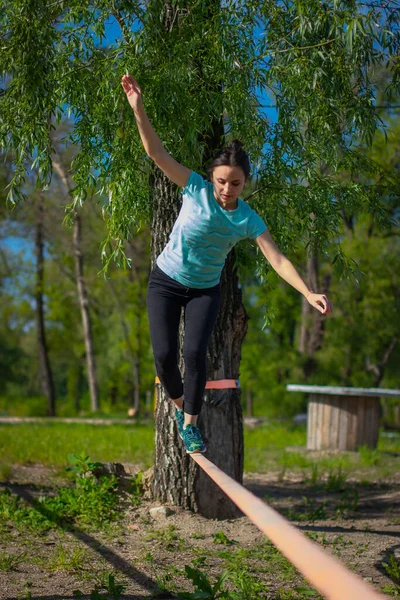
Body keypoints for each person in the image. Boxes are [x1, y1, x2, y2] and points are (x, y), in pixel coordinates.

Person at [121, 74, 333, 454]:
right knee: (165, 357)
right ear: (212, 177)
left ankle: (190, 425)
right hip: (166, 281)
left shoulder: (247, 218)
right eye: (221, 181)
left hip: (205, 289)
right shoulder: (194, 187)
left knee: (195, 354)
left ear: (244, 182)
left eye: (234, 183)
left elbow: (277, 258)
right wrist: (139, 110)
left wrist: (307, 291)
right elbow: (156, 153)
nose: (226, 190)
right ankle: (177, 404)